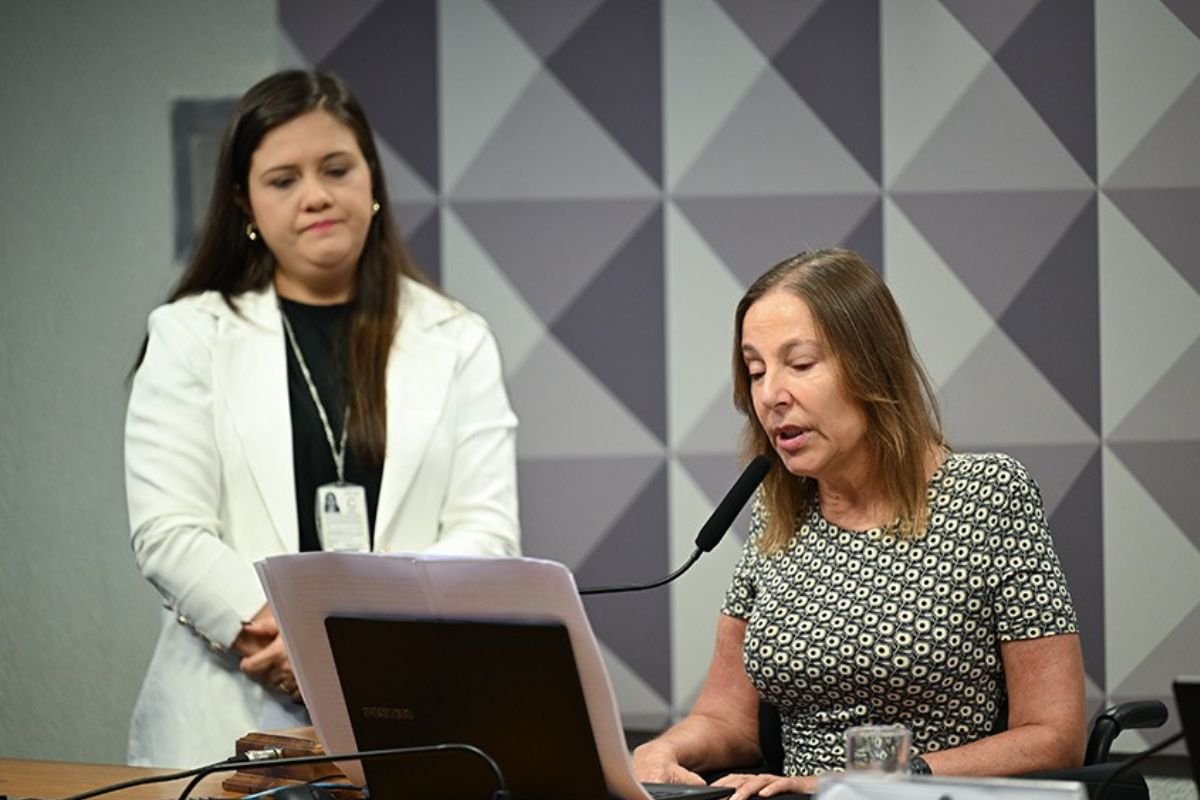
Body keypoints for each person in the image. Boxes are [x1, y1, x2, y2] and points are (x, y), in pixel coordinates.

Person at [124, 70, 520, 767]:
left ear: (372, 181)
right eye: (283, 180)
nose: (315, 195)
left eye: (336, 169)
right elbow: (170, 532)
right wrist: (296, 643)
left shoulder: (457, 338)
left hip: (411, 704)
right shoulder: (189, 335)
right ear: (245, 202)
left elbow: (487, 534)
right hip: (223, 715)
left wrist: (365, 648)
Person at [632, 248, 1085, 798]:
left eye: (800, 364)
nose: (770, 395)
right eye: (756, 372)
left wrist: (860, 783)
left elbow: (1053, 736)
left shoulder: (989, 494)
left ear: (872, 366)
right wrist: (662, 750)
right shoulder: (779, 511)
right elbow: (726, 718)